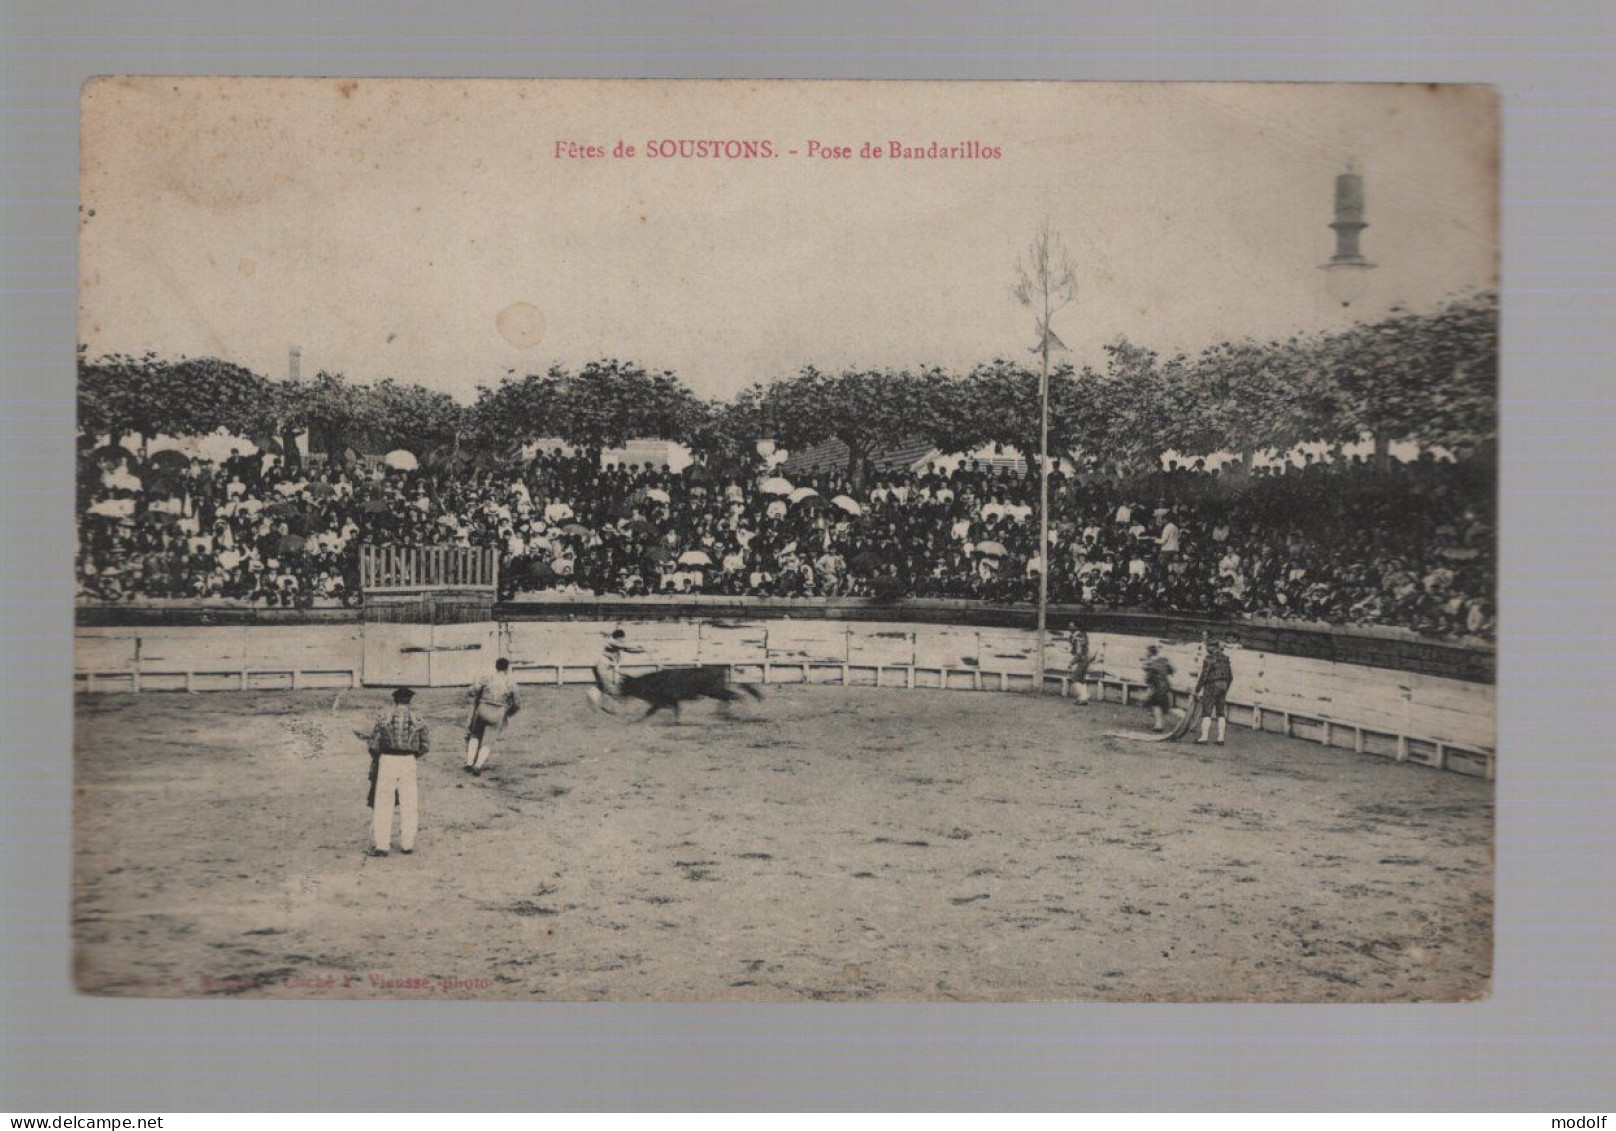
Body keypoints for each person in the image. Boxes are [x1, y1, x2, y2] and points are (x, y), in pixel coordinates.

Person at [365, 687, 430, 857]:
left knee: (383, 802)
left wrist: (378, 758)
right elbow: (425, 746)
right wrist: (411, 756)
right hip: (408, 761)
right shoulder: (418, 718)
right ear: (410, 700)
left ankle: (382, 845)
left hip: (387, 760)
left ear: (394, 700)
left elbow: (373, 745)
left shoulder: (384, 717)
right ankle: (407, 844)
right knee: (409, 802)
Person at [464, 657, 521, 776]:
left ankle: (469, 762)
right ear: (507, 669)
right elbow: (516, 704)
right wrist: (507, 713)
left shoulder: (487, 678)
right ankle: (478, 765)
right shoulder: (511, 683)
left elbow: (471, 691)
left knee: (474, 735)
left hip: (482, 709)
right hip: (498, 712)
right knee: (488, 742)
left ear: (496, 667)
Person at [587, 627, 643, 714]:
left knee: (604, 687)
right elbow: (624, 646)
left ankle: (601, 705)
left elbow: (627, 650)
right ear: (618, 637)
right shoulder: (611, 641)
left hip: (604, 667)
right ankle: (610, 708)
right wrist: (638, 645)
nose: (623, 640)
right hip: (602, 667)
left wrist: (641, 650)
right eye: (622, 638)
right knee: (608, 687)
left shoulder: (615, 642)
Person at [1195, 638, 1234, 745]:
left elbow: (1204, 676)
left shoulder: (1209, 658)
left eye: (1208, 646)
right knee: (1221, 712)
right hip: (1224, 685)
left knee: (1207, 710)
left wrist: (1197, 690)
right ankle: (1220, 738)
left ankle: (1204, 738)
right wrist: (1225, 688)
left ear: (1214, 647)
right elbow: (1231, 677)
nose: (1206, 648)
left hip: (1212, 685)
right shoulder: (1225, 658)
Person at [1142, 644, 1176, 734]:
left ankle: (1159, 725)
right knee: (1158, 704)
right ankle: (1159, 722)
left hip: (1157, 685)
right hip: (1165, 685)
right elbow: (1172, 670)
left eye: (1147, 652)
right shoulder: (1164, 660)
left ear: (1150, 652)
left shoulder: (1151, 662)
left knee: (1155, 704)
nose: (1146, 653)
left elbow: (1148, 676)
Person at [1066, 626, 1092, 706]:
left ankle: (1083, 697)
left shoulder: (1079, 637)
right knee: (1081, 679)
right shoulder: (1083, 636)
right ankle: (1084, 698)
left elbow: (1079, 654)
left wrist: (1071, 663)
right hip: (1085, 661)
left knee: (1074, 677)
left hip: (1082, 661)